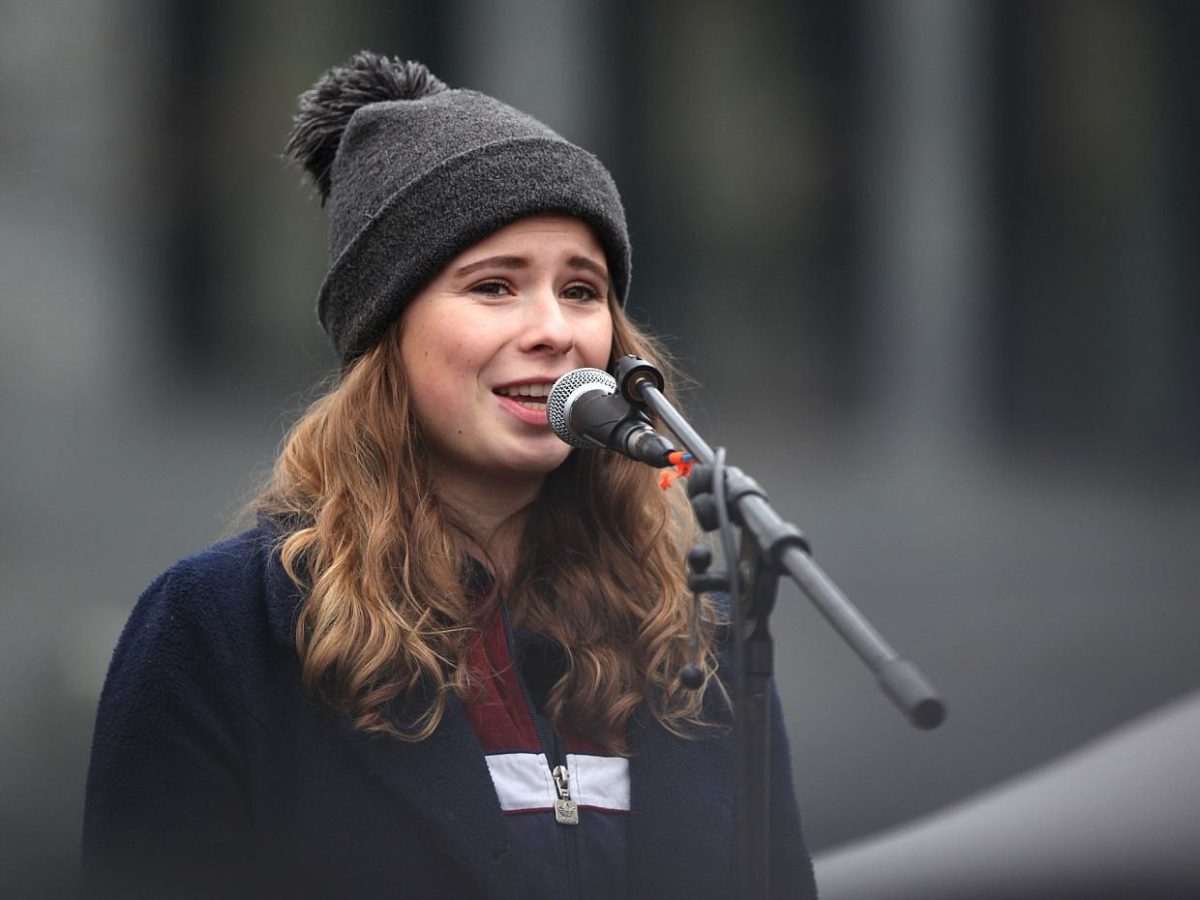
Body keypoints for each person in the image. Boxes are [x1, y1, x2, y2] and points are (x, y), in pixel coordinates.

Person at [82, 51, 818, 900]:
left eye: (582, 291)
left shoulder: (694, 642)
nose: (554, 329)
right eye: (495, 286)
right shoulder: (219, 629)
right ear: (388, 334)